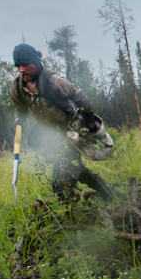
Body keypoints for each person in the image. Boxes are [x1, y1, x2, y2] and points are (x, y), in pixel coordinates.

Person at [9, 43, 116, 202]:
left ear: (37, 63)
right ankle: (112, 197)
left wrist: (92, 127)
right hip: (51, 135)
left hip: (69, 130)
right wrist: (19, 123)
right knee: (77, 170)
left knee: (63, 179)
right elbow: (20, 109)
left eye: (25, 65)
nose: (21, 70)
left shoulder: (54, 81)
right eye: (18, 66)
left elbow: (84, 102)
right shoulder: (17, 88)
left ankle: (70, 218)